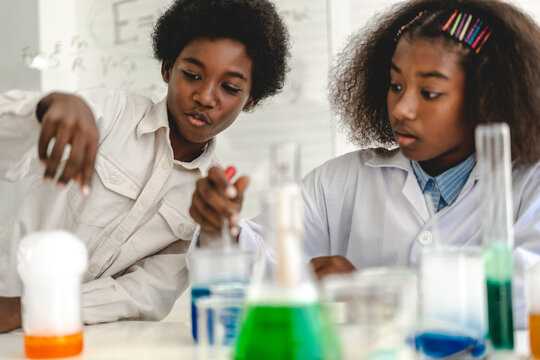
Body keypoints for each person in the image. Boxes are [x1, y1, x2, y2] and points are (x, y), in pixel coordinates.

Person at [189, 0, 540, 329]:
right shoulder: (342, 182)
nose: (402, 108)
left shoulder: (529, 183)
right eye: (396, 85)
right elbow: (264, 270)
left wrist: (373, 295)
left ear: (486, 96)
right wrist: (224, 231)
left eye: (429, 93)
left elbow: (526, 290)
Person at [0, 0, 290, 333]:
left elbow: (144, 294)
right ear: (167, 68)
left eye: (230, 88)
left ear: (250, 99)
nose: (206, 97)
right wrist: (46, 107)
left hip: (71, 334)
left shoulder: (209, 200)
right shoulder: (109, 114)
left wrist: (31, 309)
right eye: (192, 75)